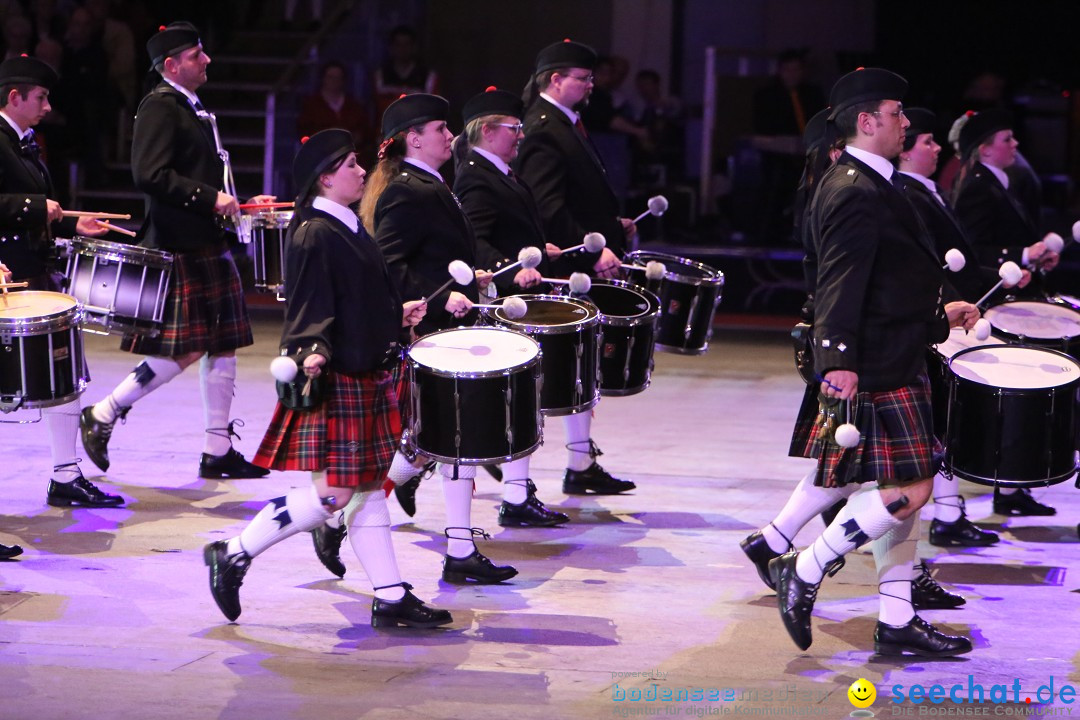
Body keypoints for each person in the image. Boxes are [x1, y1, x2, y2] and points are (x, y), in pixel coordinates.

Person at [769, 68, 979, 657]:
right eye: (896, 112)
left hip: (897, 349)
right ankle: (806, 567)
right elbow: (842, 279)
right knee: (912, 489)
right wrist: (837, 357)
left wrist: (942, 317)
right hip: (875, 362)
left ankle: (896, 616)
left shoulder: (876, 182)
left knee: (899, 491)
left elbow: (890, 282)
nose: (906, 122)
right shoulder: (853, 187)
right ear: (866, 121)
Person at [203, 128, 450, 628]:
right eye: (352, 165)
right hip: (339, 376)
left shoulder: (349, 223)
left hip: (366, 368)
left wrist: (393, 315)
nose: (362, 171)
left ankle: (390, 593)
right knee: (337, 494)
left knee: (362, 489)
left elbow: (353, 298)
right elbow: (309, 305)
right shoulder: (316, 230)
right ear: (325, 177)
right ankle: (232, 551)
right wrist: (311, 350)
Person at [79, 22, 273, 480]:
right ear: (172, 65)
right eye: (196, 54)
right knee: (184, 350)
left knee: (223, 346)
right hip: (179, 243)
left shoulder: (190, 106)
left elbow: (201, 172)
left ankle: (217, 449)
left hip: (206, 239)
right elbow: (149, 173)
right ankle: (103, 413)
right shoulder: (159, 106)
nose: (207, 61)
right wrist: (209, 199)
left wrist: (239, 203)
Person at [354, 92, 516, 586]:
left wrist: (474, 282)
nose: (451, 136)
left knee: (452, 442)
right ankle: (338, 524)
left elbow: (434, 258)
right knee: (448, 440)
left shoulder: (430, 182)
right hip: (433, 332)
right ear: (414, 138)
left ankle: (461, 548)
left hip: (452, 327)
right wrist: (441, 298)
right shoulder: (407, 188)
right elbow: (389, 266)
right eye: (441, 129)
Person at [0, 54, 122, 512]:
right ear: (15, 97)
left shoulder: (26, 141)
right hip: (7, 280)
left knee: (61, 377)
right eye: (41, 97)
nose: (48, 106)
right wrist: (35, 207)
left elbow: (42, 208)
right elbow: (22, 206)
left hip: (33, 276)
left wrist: (73, 225)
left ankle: (66, 476)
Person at [515, 38, 636, 496]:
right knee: (553, 374)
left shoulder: (566, 123)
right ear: (555, 80)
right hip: (563, 266)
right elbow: (548, 208)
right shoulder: (544, 127)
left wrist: (614, 227)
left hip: (580, 261)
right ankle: (411, 467)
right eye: (583, 79)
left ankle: (581, 463)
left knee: (581, 366)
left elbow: (580, 196)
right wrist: (592, 250)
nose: (591, 86)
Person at [453, 85, 570, 528]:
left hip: (516, 301)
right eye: (513, 128)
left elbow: (506, 229)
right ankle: (514, 497)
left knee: (524, 396)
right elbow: (476, 241)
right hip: (502, 301)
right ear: (487, 130)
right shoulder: (474, 174)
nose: (521, 135)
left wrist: (540, 250)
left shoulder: (501, 170)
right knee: (510, 399)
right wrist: (509, 270)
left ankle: (518, 495)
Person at [895, 108, 1006, 546]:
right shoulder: (904, 193)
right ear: (906, 151)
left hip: (955, 313)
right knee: (937, 424)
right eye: (927, 141)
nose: (938, 147)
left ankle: (948, 512)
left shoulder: (927, 191)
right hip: (940, 318)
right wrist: (943, 308)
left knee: (943, 423)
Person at [951, 108, 1059, 518]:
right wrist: (1017, 256)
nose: (1015, 145)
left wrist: (1033, 258)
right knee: (1016, 395)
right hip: (996, 305)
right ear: (985, 149)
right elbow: (975, 248)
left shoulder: (999, 181)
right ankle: (1008, 486)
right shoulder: (979, 186)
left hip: (1013, 295)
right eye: (1006, 139)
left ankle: (1014, 486)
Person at [296, 61, 371, 165]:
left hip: (350, 159)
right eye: (331, 77)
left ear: (343, 80)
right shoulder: (311, 106)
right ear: (323, 79)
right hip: (320, 161)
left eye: (338, 77)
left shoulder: (354, 106)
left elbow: (364, 133)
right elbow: (306, 133)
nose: (334, 81)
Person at [372, 26, 438, 122]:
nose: (402, 49)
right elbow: (378, 108)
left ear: (414, 47)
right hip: (387, 132)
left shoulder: (428, 77)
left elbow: (433, 110)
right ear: (391, 47)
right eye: (398, 45)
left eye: (407, 44)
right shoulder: (380, 76)